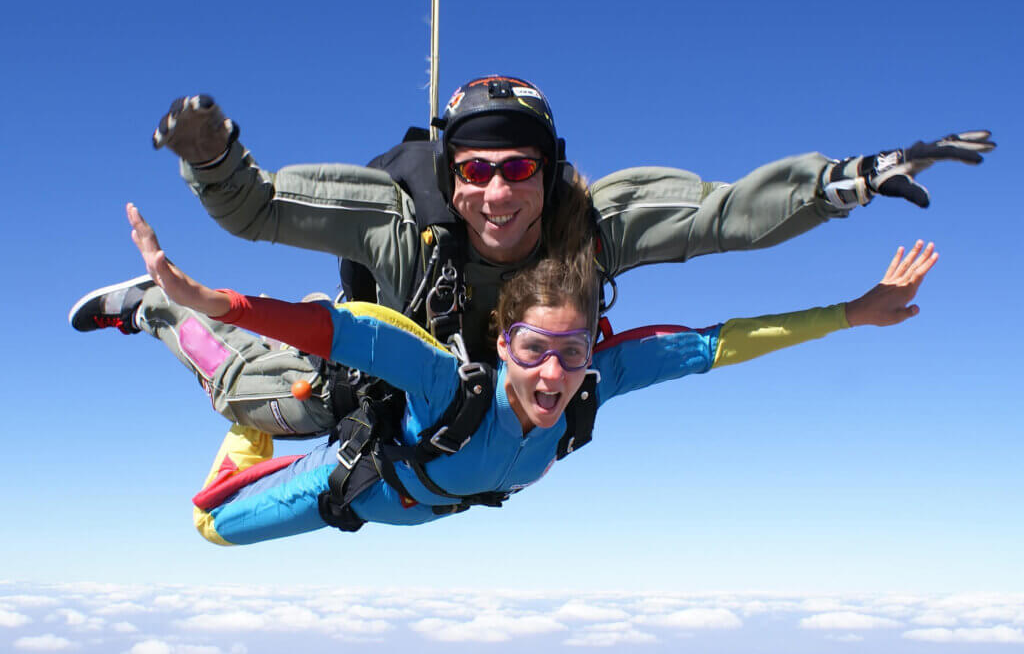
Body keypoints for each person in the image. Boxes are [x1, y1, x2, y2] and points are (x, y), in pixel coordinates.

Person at [71, 76, 991, 441]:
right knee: (259, 400)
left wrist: (848, 180)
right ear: (451, 174)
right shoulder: (399, 222)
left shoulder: (591, 225)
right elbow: (260, 210)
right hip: (392, 365)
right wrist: (212, 156)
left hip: (500, 387)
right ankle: (155, 314)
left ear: (548, 172)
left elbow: (724, 218)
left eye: (519, 168)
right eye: (475, 170)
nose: (497, 193)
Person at [128, 202, 938, 544]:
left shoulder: (594, 386)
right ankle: (177, 329)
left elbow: (720, 342)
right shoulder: (455, 387)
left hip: (410, 505)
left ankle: (244, 396)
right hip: (357, 485)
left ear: (594, 349)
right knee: (210, 527)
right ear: (501, 344)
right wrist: (217, 299)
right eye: (532, 351)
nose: (553, 374)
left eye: (573, 352)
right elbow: (355, 332)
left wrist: (851, 313)